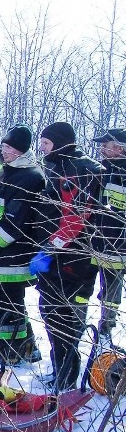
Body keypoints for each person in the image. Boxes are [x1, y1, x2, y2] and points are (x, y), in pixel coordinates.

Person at [34, 122, 104, 390]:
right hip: (58, 257)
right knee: (50, 312)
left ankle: (67, 377)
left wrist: (50, 248)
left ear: (61, 143)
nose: (42, 148)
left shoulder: (78, 169)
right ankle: (59, 369)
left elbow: (75, 219)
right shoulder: (60, 165)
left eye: (47, 143)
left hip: (76, 260)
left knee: (67, 317)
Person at [0, 125, 46, 364]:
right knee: (4, 304)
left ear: (21, 150)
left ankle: (12, 351)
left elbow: (15, 224)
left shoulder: (30, 177)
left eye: (9, 147)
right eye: (3, 146)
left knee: (8, 306)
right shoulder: (12, 172)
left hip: (10, 258)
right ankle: (24, 348)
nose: (3, 151)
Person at [91, 128, 126, 344]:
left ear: (120, 148)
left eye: (106, 146)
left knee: (111, 287)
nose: (101, 149)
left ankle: (107, 326)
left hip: (119, 243)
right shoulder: (104, 170)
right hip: (98, 239)